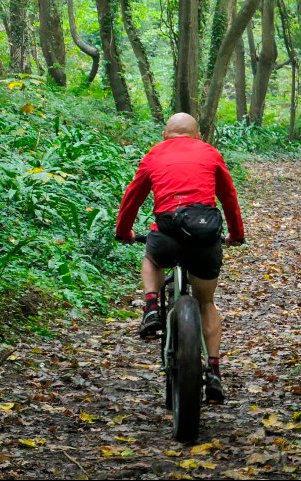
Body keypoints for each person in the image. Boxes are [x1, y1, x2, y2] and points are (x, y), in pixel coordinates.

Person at [114, 112, 245, 404]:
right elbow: (229, 197)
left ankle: (150, 306)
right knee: (206, 302)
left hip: (167, 234)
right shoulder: (211, 153)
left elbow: (132, 197)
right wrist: (236, 234)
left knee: (152, 258)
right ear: (198, 135)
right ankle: (213, 370)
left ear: (165, 134)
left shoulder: (154, 154)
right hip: (205, 236)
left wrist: (123, 231)